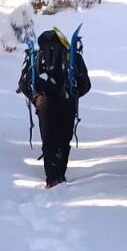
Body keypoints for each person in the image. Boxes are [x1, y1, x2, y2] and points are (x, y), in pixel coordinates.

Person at [17, 27, 91, 188]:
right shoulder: (72, 56)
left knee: (49, 141)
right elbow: (86, 84)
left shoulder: (35, 56)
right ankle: (60, 176)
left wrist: (35, 98)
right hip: (67, 101)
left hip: (44, 102)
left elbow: (23, 84)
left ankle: (51, 180)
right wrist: (74, 94)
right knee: (64, 141)